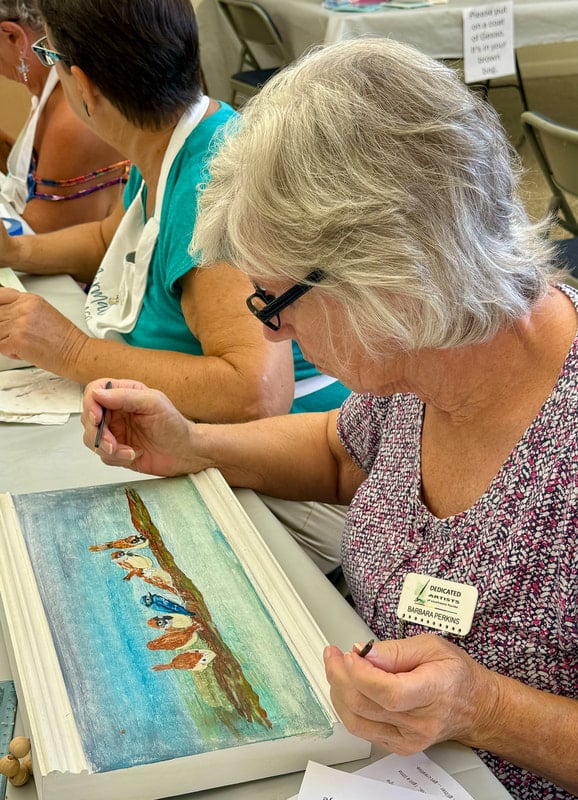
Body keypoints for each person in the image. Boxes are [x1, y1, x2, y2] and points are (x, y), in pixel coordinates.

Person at [80, 39, 577, 800]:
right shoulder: (425, 351)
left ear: (388, 274)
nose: (271, 330)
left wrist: (485, 709)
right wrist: (194, 442)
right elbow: (344, 452)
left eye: (274, 300)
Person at [0, 0, 296, 423]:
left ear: (83, 85)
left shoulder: (210, 187)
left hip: (276, 443)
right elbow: (112, 239)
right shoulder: (172, 133)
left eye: (50, 56)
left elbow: (256, 392)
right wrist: (15, 251)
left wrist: (70, 350)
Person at [0, 0, 128, 232]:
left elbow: (38, 238)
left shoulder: (71, 117)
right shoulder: (51, 87)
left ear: (13, 36)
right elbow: (27, 178)